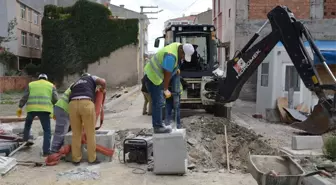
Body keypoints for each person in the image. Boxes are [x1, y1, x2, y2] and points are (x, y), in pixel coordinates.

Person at [143, 42, 195, 133]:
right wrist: (166, 89)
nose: (183, 58)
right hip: (153, 77)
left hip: (155, 75)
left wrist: (176, 69)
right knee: (158, 102)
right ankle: (157, 127)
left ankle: (159, 124)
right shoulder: (171, 56)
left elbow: (171, 68)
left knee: (159, 102)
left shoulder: (178, 45)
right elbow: (167, 72)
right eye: (183, 55)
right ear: (181, 50)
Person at [68, 73, 106, 166]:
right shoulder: (91, 78)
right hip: (86, 103)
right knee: (90, 132)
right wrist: (102, 88)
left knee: (76, 134)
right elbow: (103, 81)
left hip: (72, 104)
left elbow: (70, 91)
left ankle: (76, 159)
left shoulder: (75, 82)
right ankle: (92, 159)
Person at [17, 73, 59, 156]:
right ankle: (46, 151)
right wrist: (56, 110)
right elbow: (55, 99)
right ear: (46, 79)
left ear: (38, 78)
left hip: (31, 109)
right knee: (47, 131)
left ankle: (26, 141)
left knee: (27, 125)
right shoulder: (51, 85)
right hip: (44, 110)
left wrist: (20, 107)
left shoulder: (31, 84)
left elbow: (25, 96)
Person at [50, 84, 72, 154]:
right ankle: (54, 151)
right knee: (61, 131)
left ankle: (62, 149)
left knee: (68, 130)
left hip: (64, 109)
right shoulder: (79, 87)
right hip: (62, 109)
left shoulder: (77, 85)